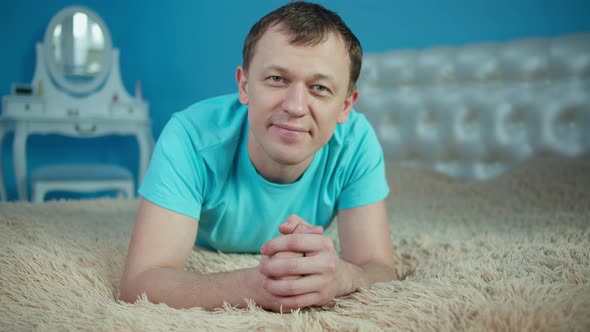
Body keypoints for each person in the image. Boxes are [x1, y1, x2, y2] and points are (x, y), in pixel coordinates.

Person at [119, 1, 397, 312]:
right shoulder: (189, 136)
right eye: (277, 79)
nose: (295, 106)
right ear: (244, 85)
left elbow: (380, 269)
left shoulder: (356, 143)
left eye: (319, 88)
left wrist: (344, 275)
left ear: (346, 106)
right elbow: (140, 281)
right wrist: (256, 286)